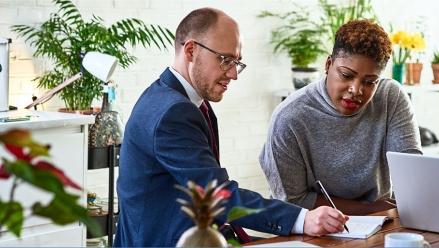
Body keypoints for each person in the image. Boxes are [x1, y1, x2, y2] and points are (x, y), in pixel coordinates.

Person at [114, 8, 348, 247]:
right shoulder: (173, 112)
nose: (234, 74)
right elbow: (217, 195)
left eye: (237, 62)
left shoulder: (174, 98)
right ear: (191, 51)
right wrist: (302, 218)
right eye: (225, 60)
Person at [259, 20, 422, 216]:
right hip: (312, 228)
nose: (356, 90)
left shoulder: (390, 97)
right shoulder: (289, 118)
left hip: (381, 222)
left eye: (370, 82)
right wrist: (369, 209)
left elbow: (411, 173)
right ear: (328, 64)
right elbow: (292, 201)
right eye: (346, 75)